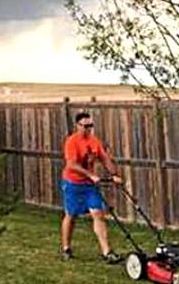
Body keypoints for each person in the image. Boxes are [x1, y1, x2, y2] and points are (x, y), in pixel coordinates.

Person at [60, 112, 123, 263]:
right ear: (78, 126)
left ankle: (107, 252)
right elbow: (71, 165)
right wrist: (90, 174)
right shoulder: (72, 142)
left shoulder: (94, 141)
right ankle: (66, 248)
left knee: (98, 214)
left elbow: (105, 158)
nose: (89, 129)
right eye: (85, 126)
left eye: (91, 126)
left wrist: (115, 174)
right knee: (71, 215)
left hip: (89, 186)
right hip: (72, 183)